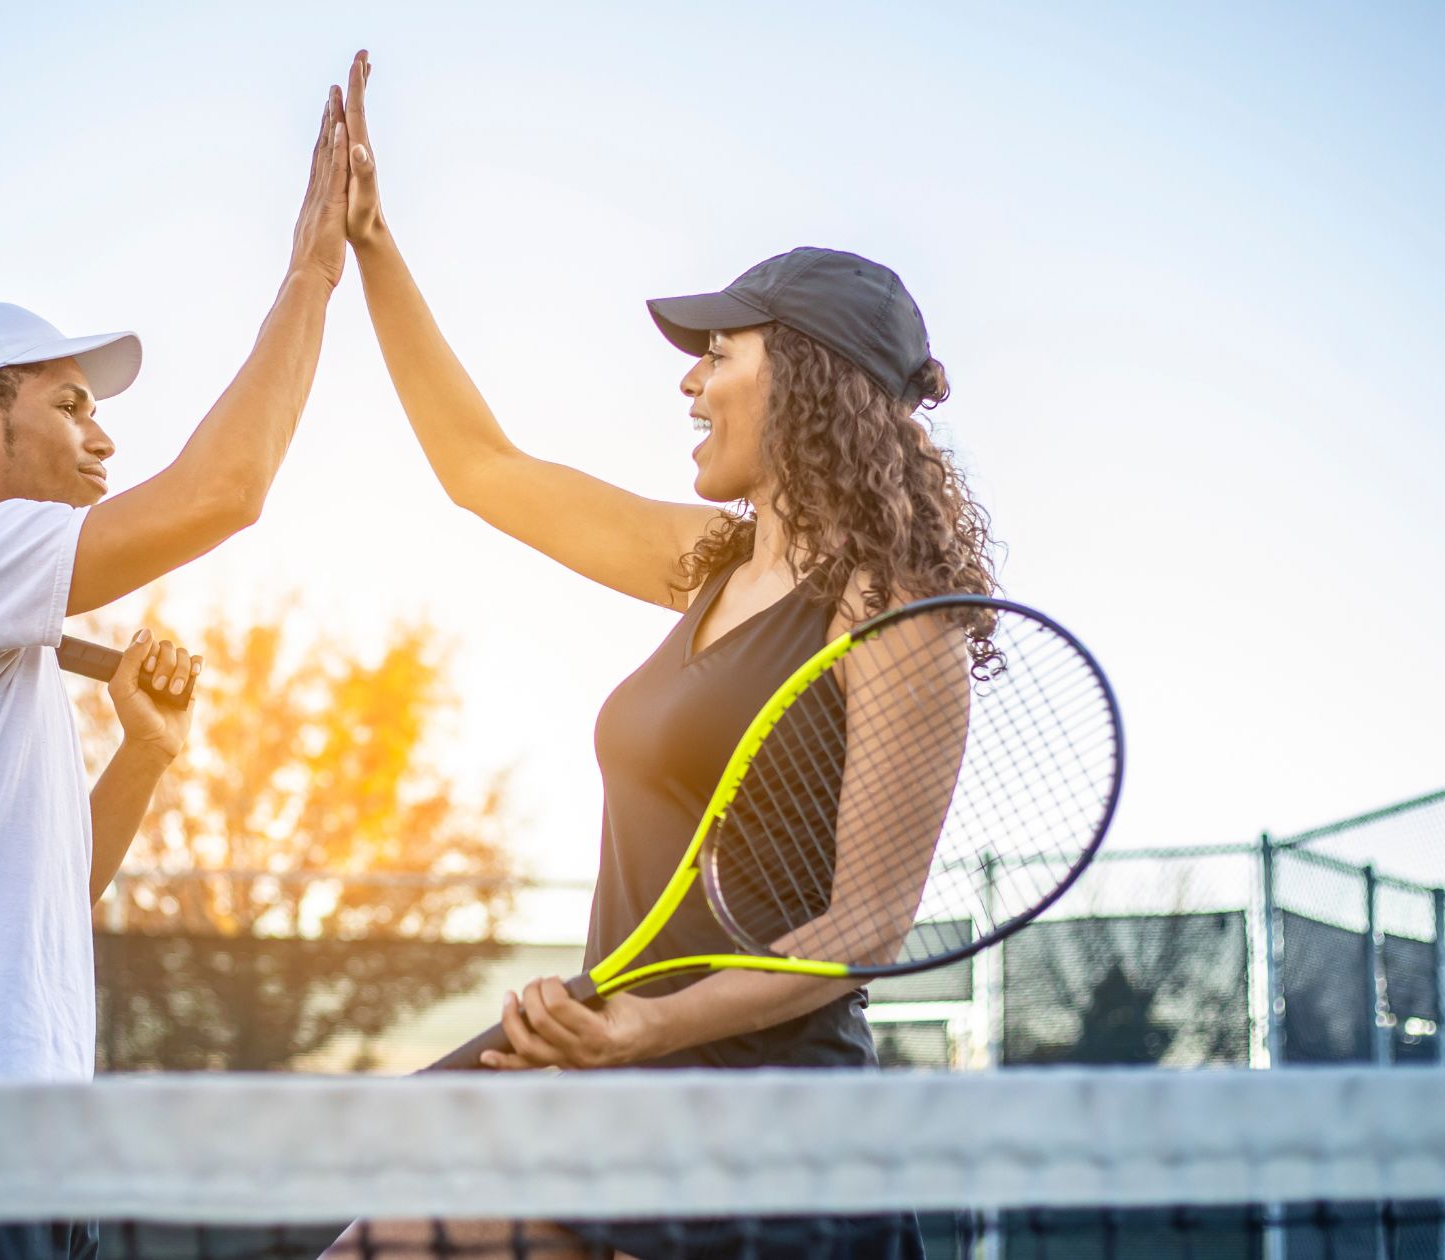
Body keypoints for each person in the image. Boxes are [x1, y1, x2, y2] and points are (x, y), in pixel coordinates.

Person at [336, 50, 992, 1259]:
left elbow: (860, 931)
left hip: (762, 1131)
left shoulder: (897, 614)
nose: (686, 380)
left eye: (717, 352)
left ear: (798, 377)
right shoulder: (708, 564)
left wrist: (646, 1031)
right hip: (618, 1077)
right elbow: (482, 469)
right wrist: (372, 244)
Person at [0, 87, 353, 1260]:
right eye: (70, 404)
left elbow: (49, 895)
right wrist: (309, 275)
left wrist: (146, 751)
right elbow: (225, 492)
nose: (102, 436)